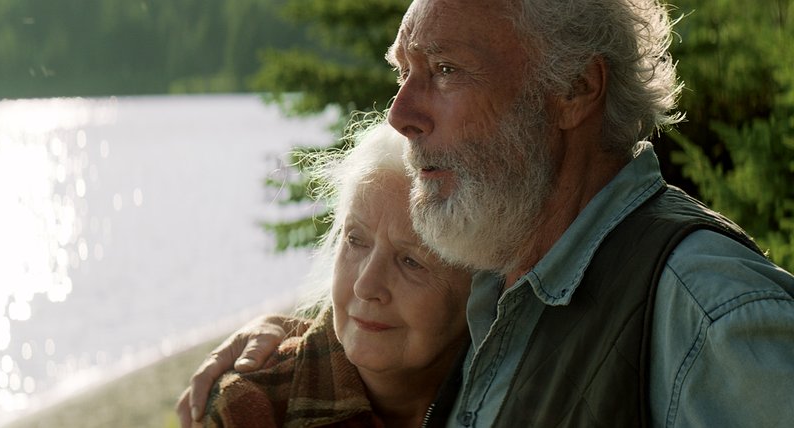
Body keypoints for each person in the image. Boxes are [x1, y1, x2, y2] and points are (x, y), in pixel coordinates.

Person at [179, 0, 794, 426]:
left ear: (576, 88)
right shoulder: (500, 287)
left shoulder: (714, 319)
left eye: (445, 70)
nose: (400, 114)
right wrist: (285, 355)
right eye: (404, 71)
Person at [202, 122, 472, 427]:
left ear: (480, 283)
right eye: (355, 240)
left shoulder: (516, 388)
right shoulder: (251, 406)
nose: (365, 285)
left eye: (411, 261)